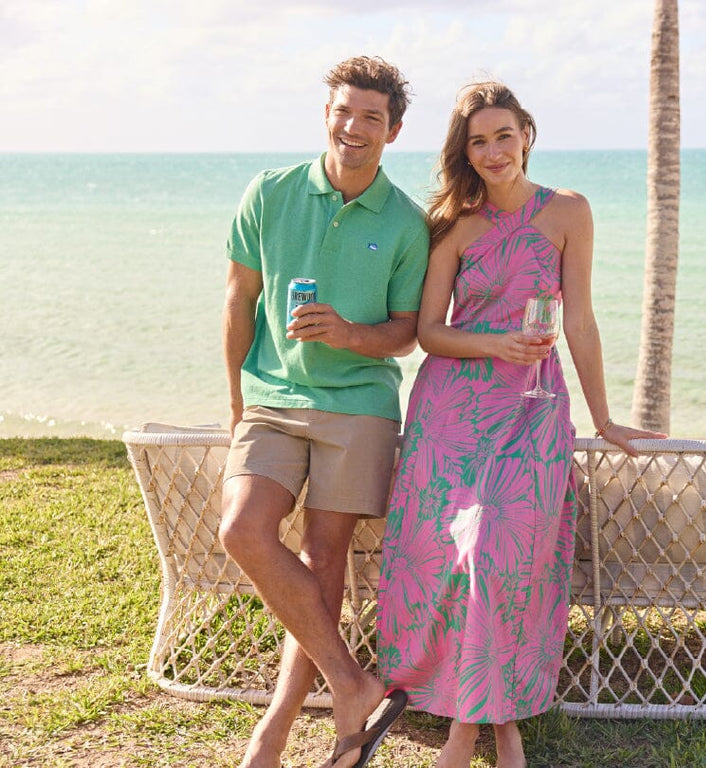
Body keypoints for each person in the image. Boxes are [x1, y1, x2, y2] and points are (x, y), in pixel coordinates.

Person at [375, 81, 665, 768]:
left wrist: (604, 418)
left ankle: (475, 726)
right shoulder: (451, 223)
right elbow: (429, 332)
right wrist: (493, 345)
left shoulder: (568, 211)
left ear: (526, 135)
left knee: (507, 559)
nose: (493, 151)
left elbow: (580, 320)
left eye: (504, 135)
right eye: (478, 141)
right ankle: (490, 726)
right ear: (465, 151)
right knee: (460, 558)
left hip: (532, 408)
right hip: (451, 412)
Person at [217, 56, 428, 768]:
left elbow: (407, 333)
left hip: (360, 405)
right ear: (326, 115)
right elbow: (239, 299)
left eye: (372, 117)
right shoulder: (270, 192)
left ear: (393, 131)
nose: (353, 127)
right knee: (243, 530)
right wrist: (238, 400)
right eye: (344, 111)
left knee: (324, 557)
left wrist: (349, 335)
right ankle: (351, 683)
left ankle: (276, 726)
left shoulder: (407, 222)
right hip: (273, 399)